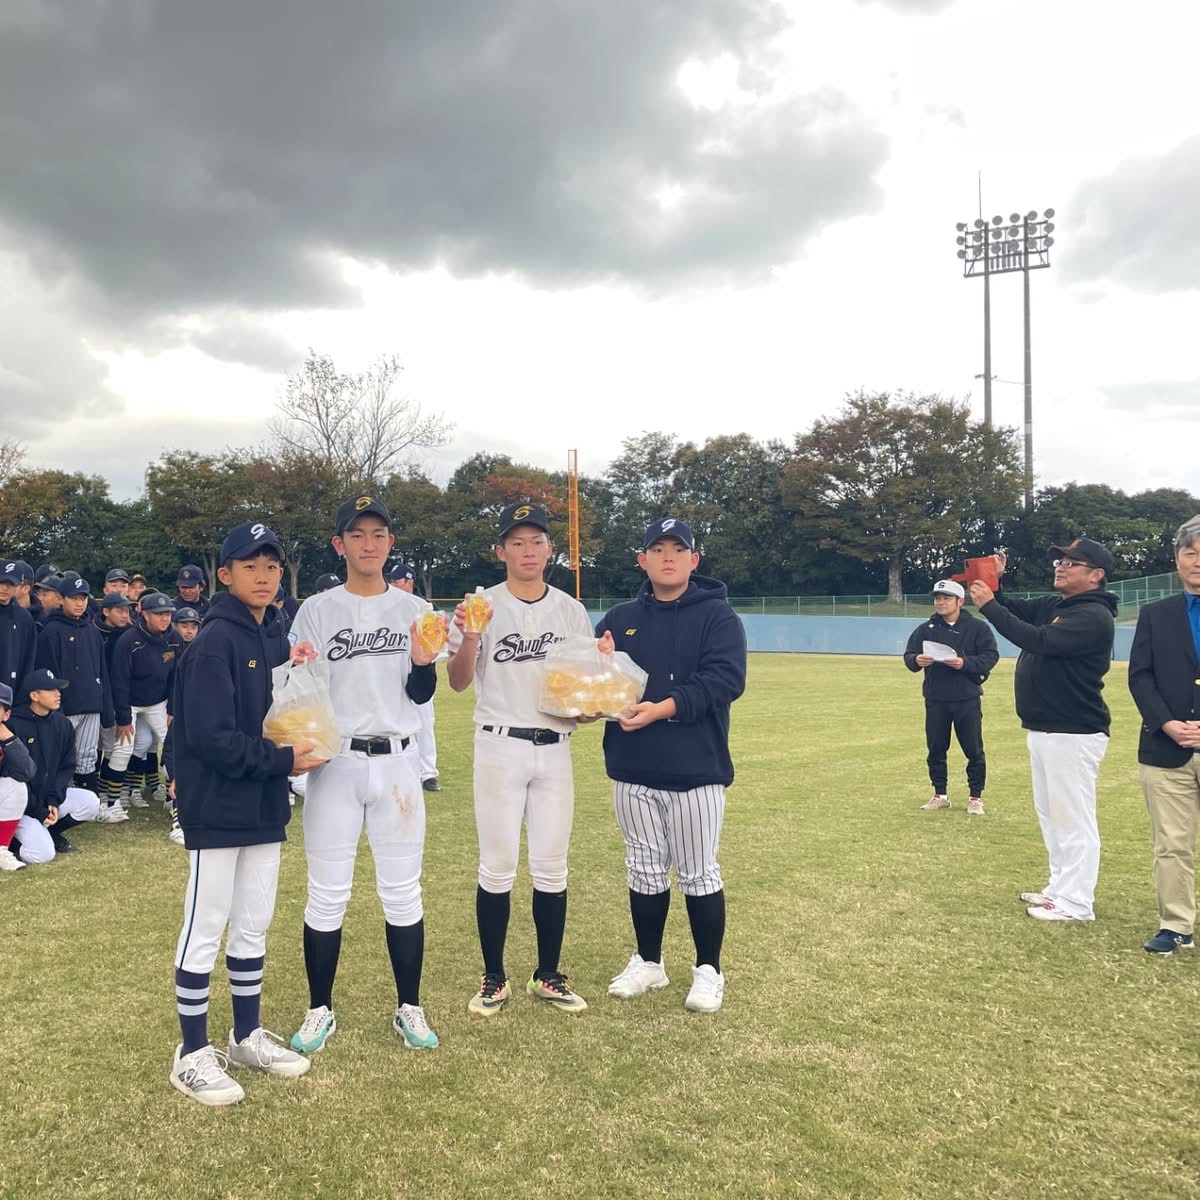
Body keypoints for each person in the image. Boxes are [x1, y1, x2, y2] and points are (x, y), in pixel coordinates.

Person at [169, 520, 321, 1106]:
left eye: (272, 566)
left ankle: (244, 1035)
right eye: (250, 566)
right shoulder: (213, 641)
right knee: (205, 926)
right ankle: (190, 1052)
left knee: (253, 922)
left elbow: (273, 697)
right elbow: (211, 738)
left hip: (261, 804)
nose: (263, 576)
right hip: (217, 806)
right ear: (224, 574)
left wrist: (292, 656)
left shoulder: (266, 634)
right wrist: (283, 759)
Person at [288, 495, 440, 1055]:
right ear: (340, 544)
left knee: (402, 893)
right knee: (326, 895)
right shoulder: (316, 610)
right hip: (337, 761)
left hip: (398, 762)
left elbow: (421, 694)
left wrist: (423, 662)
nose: (369, 543)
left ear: (390, 543)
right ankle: (318, 1009)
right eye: (357, 534)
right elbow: (299, 688)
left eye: (378, 533)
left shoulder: (414, 609)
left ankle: (409, 1006)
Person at [447, 501, 594, 1017]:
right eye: (517, 541)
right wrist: (469, 636)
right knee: (498, 866)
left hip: (555, 748)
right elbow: (459, 680)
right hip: (499, 744)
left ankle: (548, 974)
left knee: (552, 867)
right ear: (501, 550)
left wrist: (590, 707)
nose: (528, 550)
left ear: (549, 549)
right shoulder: (481, 604)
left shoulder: (570, 610)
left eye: (537, 541)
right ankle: (493, 977)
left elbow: (581, 687)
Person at [595, 517, 747, 1013]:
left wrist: (660, 708)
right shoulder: (618, 618)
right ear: (641, 560)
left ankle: (708, 970)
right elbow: (594, 683)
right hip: (632, 766)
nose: (667, 557)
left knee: (698, 872)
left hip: (695, 769)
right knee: (643, 868)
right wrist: (597, 670)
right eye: (656, 549)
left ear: (694, 560)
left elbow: (724, 681)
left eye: (677, 549)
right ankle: (649, 962)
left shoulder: (719, 617)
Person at [970, 539, 1118, 923]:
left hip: (1073, 730)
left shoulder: (1093, 616)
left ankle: (1077, 903)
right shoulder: (1058, 606)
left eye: (1073, 563)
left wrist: (987, 604)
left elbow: (1035, 639)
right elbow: (1011, 611)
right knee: (1053, 816)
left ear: (1096, 575)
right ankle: (1060, 889)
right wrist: (993, 584)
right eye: (1061, 560)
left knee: (1073, 819)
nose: (1061, 566)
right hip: (1046, 728)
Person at [1128, 514, 1200, 955]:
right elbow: (1140, 677)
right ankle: (1177, 925)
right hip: (1164, 748)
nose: (1197, 562)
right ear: (1177, 559)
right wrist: (1168, 723)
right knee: (1172, 845)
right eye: (1190, 553)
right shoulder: (1156, 615)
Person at [903, 579, 999, 815]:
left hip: (967, 697)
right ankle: (940, 794)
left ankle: (975, 797)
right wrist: (916, 660)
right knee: (936, 748)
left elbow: (990, 656)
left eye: (946, 598)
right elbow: (909, 655)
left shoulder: (978, 628)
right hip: (936, 698)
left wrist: (965, 663)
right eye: (937, 598)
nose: (941, 602)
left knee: (973, 749)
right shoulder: (926, 629)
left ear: (960, 601)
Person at [6, 668, 101, 862]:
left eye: (58, 689)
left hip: (47, 799)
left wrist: (53, 801)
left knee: (91, 803)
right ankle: (13, 845)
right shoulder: (14, 724)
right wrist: (38, 811)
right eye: (51, 690)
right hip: (21, 806)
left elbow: (67, 766)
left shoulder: (62, 723)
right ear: (34, 695)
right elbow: (13, 776)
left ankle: (50, 832)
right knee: (43, 854)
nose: (58, 694)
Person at [35, 571, 114, 798]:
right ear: (61, 599)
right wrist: (53, 709)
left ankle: (88, 798)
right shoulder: (51, 631)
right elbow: (46, 673)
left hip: (91, 704)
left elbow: (102, 671)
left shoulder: (91, 630)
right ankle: (58, 798)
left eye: (83, 598)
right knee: (62, 755)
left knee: (87, 756)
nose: (80, 603)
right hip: (65, 706)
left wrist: (106, 706)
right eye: (74, 598)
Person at [105, 591, 177, 810]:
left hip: (159, 701)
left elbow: (177, 677)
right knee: (124, 748)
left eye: (167, 613)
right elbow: (119, 681)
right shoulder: (128, 639)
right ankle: (111, 802)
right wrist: (124, 718)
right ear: (144, 614)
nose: (165, 618)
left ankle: (173, 798)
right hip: (131, 702)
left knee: (174, 745)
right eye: (159, 614)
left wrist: (172, 708)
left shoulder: (174, 638)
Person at [389, 561, 441, 793]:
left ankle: (428, 773)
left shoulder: (425, 608)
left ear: (409, 581)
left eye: (397, 581)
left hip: (420, 669)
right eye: (391, 581)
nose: (393, 585)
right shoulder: (387, 609)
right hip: (394, 673)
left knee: (425, 724)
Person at [94, 593, 135, 822]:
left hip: (118, 698)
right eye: (119, 610)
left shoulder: (130, 635)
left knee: (113, 748)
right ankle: (95, 797)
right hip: (96, 696)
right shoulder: (95, 632)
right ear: (106, 611)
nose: (124, 614)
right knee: (92, 750)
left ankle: (105, 795)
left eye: (127, 610)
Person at [0, 682, 37, 872]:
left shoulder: (5, 735)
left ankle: (1, 849)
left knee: (17, 786)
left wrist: (7, 737)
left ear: (6, 715)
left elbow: (27, 772)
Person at [1, 559, 37, 701]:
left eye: (10, 584)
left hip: (12, 697)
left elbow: (29, 660)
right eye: (1, 582)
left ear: (19, 586)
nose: (4, 588)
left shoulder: (24, 618)